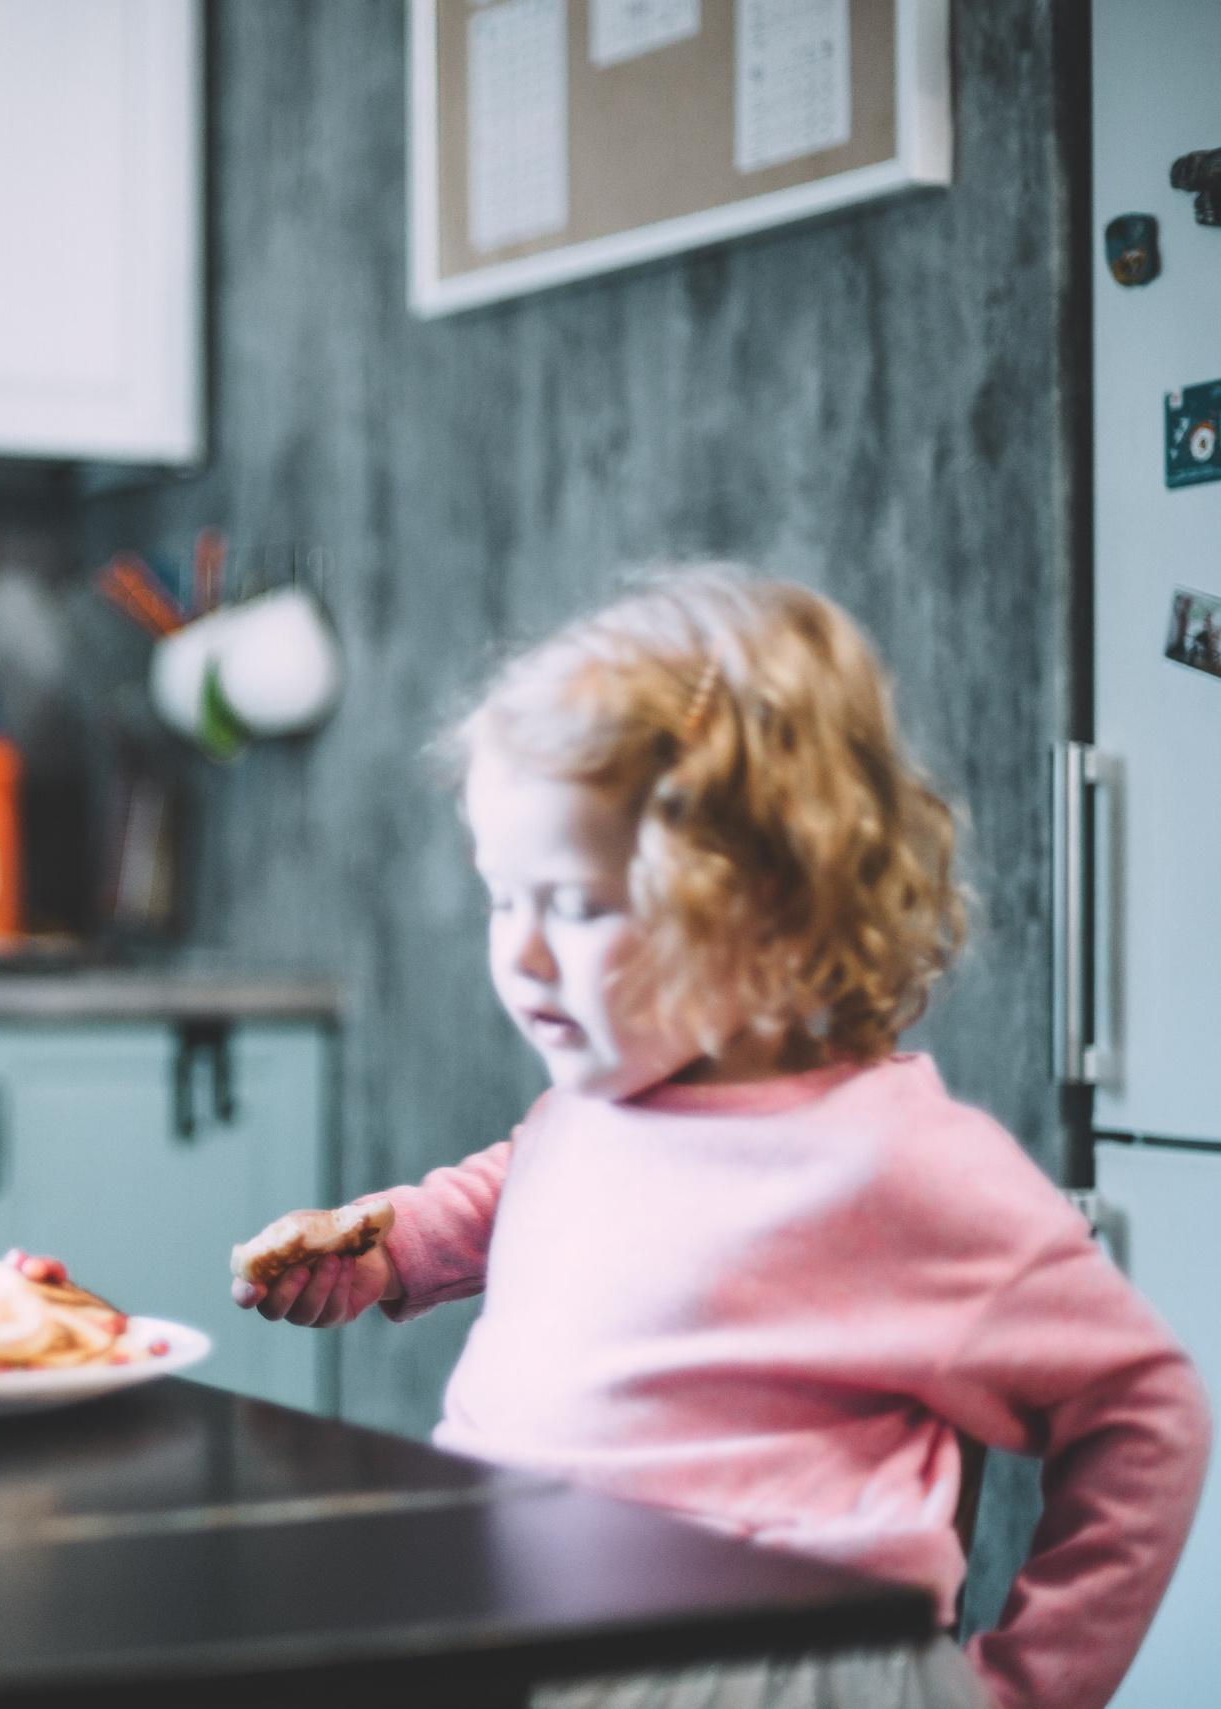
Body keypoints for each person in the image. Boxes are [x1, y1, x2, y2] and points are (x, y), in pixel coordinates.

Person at [233, 572, 1209, 1709]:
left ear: (771, 910)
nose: (524, 957)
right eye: (505, 898)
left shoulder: (895, 1159)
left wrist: (1029, 1685)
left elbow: (1146, 1411)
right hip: (540, 1634)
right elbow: (530, 1187)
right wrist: (385, 1246)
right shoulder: (600, 1106)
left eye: (579, 905)